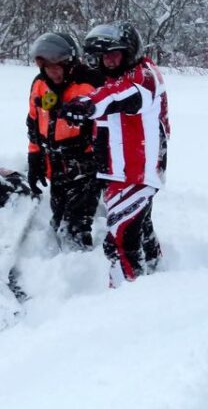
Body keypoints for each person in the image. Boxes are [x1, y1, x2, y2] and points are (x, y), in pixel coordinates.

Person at [62, 21, 170, 285]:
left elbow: (116, 97)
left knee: (119, 241)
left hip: (135, 173)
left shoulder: (143, 77)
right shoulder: (118, 76)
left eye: (114, 54)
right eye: (102, 56)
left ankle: (128, 303)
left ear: (129, 51)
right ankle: (159, 278)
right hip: (120, 171)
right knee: (140, 230)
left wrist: (87, 104)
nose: (108, 61)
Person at [26, 31, 100, 249]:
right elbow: (33, 122)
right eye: (48, 68)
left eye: (57, 67)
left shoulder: (90, 83)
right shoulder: (39, 84)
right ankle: (57, 264)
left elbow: (109, 126)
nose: (53, 73)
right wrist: (34, 158)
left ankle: (81, 272)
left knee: (76, 226)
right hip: (55, 166)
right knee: (58, 220)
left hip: (86, 167)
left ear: (69, 63)